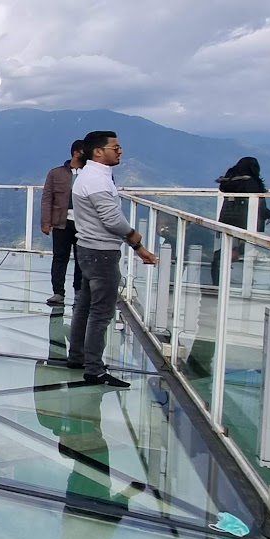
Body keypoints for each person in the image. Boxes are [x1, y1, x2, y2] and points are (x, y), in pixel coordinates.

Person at [66, 131, 157, 387]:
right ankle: (94, 369)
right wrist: (135, 239)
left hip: (87, 248)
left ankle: (78, 356)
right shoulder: (96, 180)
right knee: (101, 312)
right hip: (101, 253)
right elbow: (112, 219)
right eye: (114, 147)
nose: (119, 151)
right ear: (98, 151)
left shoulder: (89, 177)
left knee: (84, 305)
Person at [40, 140, 88, 307]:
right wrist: (46, 222)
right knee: (60, 257)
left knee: (81, 259)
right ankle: (58, 292)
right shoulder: (56, 173)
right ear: (76, 152)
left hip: (84, 223)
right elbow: (47, 198)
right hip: (62, 222)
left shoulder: (91, 174)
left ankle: (79, 292)